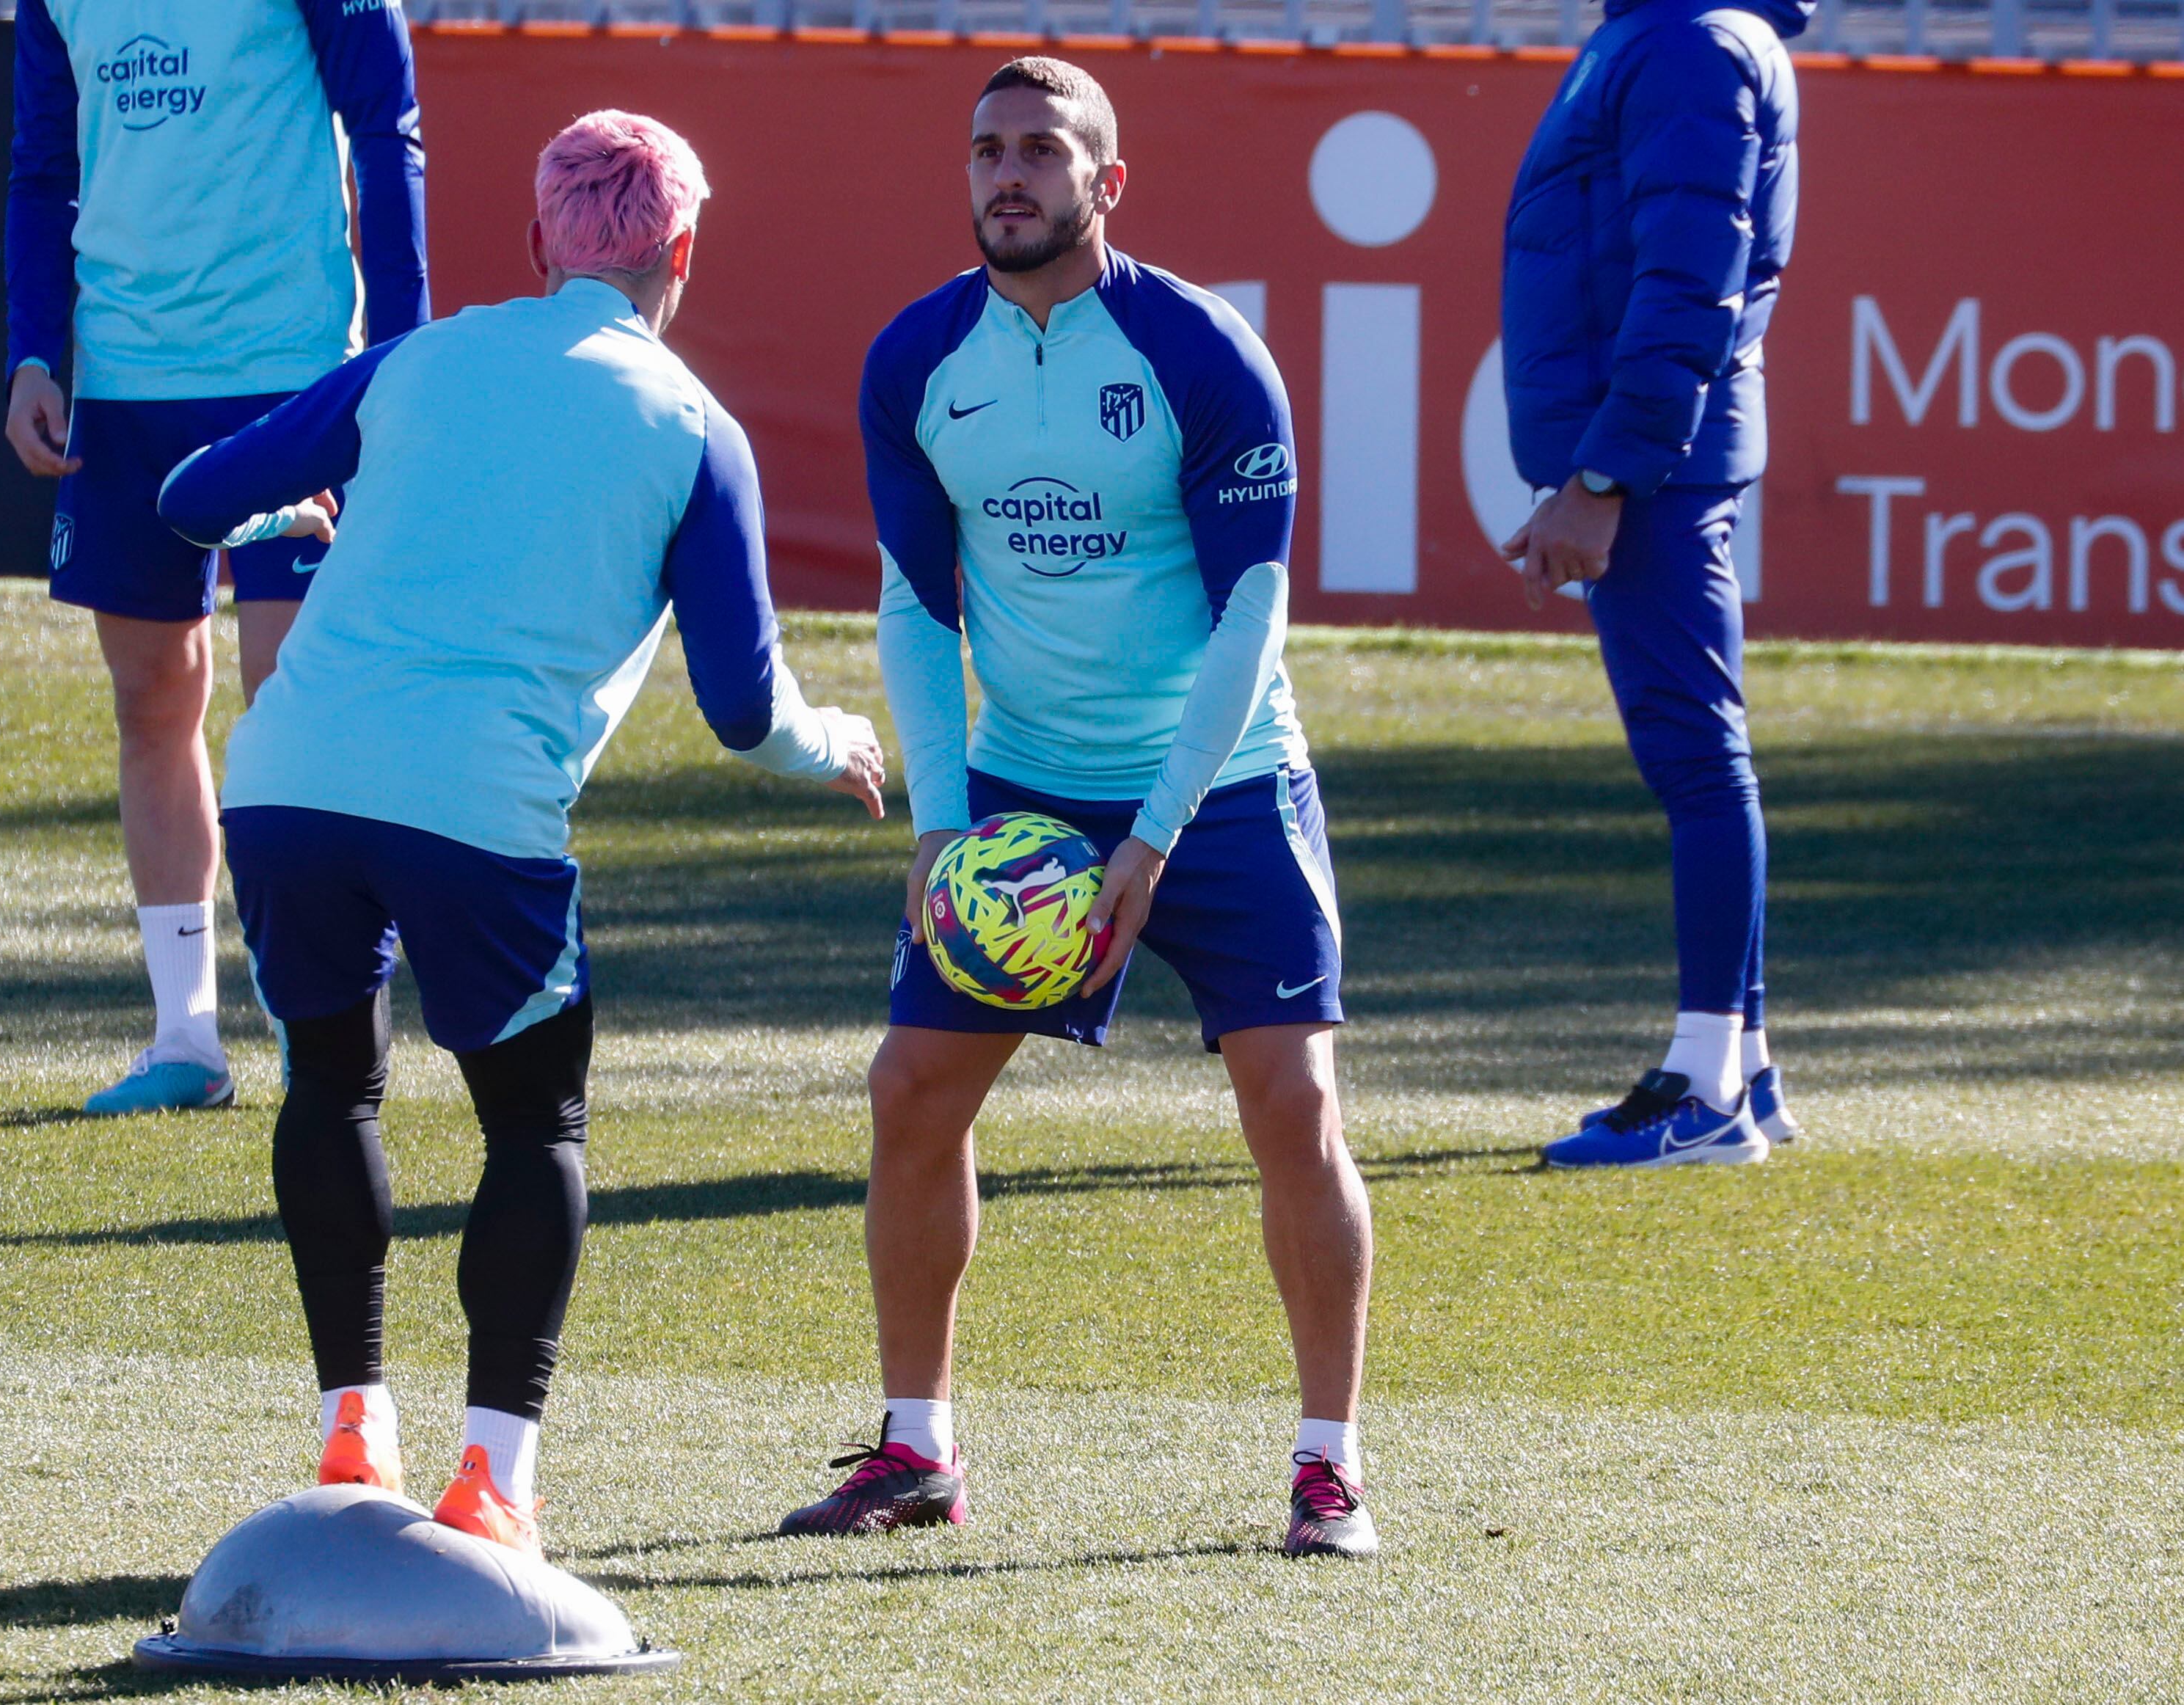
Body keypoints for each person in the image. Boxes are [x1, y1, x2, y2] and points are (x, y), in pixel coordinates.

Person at [156, 110, 886, 1555]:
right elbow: (744, 709)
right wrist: (834, 743)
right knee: (534, 1124)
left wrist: (295, 525)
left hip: (289, 780)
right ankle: (492, 1477)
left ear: (538, 238)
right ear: (684, 254)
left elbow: (189, 501)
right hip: (478, 810)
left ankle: (351, 1430)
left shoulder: (415, 360)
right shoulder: (696, 430)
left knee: (331, 1086)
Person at [776, 58, 1376, 1560]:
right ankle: (916, 1447)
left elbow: (1252, 612)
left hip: (1220, 780)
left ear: (1107, 183)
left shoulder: (1200, 353)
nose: (1008, 173)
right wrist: (940, 820)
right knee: (911, 1091)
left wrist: (1155, 835)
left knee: (1294, 1105)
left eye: (1042, 150)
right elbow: (915, 603)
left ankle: (1329, 1467)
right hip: (1021, 784)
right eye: (988, 148)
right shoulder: (918, 358)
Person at [2, 0, 428, 1115]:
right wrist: (34, 353)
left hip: (292, 371)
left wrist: (397, 351)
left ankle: (315, 1029)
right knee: (150, 699)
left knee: (290, 707)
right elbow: (43, 167)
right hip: (124, 387)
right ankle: (185, 1039)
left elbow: (385, 128)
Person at [1497, 0, 1809, 1169]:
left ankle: (1707, 1088)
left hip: (1653, 467)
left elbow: (1688, 278)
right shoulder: (1670, 32)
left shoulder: (1689, 41)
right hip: (1653, 457)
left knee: (1696, 759)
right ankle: (1744, 1064)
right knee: (1701, 755)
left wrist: (1605, 475)